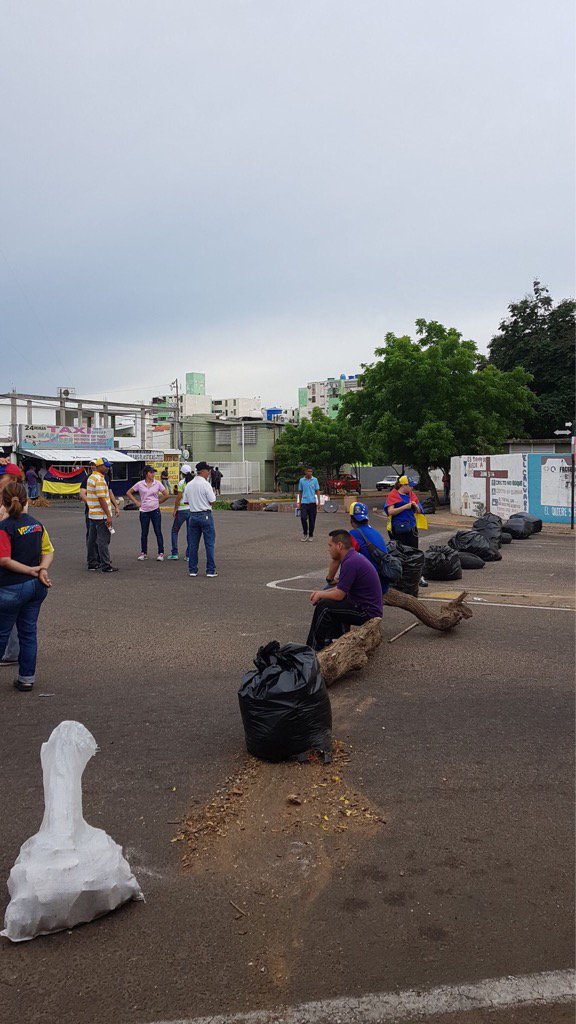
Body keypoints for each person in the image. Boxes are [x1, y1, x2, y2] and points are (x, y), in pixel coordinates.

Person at [0, 481, 54, 691]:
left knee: (2, 634)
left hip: (11, 587)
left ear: (3, 502)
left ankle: (26, 677)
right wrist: (41, 569)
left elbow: (4, 560)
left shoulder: (5, 528)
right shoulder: (37, 524)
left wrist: (30, 570)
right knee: (28, 633)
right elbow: (48, 551)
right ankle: (26, 678)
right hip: (36, 587)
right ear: (27, 500)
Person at [306, 530, 383, 651]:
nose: (328, 549)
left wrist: (321, 595)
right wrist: (321, 594)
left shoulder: (351, 562)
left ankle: (313, 649)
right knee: (329, 602)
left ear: (339, 546)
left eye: (330, 546)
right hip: (360, 605)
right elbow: (340, 588)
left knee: (325, 607)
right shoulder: (351, 558)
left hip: (368, 612)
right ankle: (335, 640)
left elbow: (339, 595)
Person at [326, 502, 390, 593]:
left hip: (369, 584)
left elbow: (338, 558)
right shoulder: (375, 532)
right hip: (382, 581)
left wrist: (330, 579)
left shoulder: (354, 534)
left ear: (351, 519)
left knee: (327, 591)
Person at [0, 461, 25, 666]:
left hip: (9, 559)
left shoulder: (11, 504)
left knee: (8, 607)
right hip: (16, 559)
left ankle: (12, 651)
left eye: (2, 477)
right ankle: (15, 649)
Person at [79, 459, 120, 565]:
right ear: (99, 466)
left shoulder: (92, 478)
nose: (108, 468)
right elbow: (101, 498)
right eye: (106, 466)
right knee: (103, 540)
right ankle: (105, 563)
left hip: (93, 513)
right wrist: (108, 515)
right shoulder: (99, 479)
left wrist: (116, 506)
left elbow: (109, 493)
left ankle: (92, 562)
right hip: (101, 514)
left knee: (92, 539)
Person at [126, 466, 169, 561]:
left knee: (158, 531)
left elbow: (166, 495)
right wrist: (136, 502)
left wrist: (159, 502)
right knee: (144, 532)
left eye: (153, 472)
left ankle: (161, 553)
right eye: (151, 472)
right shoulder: (140, 484)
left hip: (155, 510)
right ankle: (143, 552)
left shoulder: (157, 483)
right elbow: (129, 492)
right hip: (144, 510)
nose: (153, 474)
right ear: (146, 474)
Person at [184, 461, 217, 578]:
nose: (209, 472)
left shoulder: (189, 485)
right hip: (205, 514)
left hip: (193, 515)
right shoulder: (205, 484)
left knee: (193, 544)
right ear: (203, 471)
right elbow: (212, 500)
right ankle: (210, 570)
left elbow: (186, 501)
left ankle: (192, 570)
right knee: (209, 544)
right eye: (208, 470)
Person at [384, 475, 423, 549]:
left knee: (414, 551)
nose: (412, 488)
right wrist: (405, 507)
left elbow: (420, 511)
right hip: (399, 528)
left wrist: (416, 506)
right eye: (410, 486)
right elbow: (390, 512)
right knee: (400, 551)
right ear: (403, 485)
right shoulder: (393, 495)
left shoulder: (412, 494)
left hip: (411, 527)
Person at [168, 464, 194, 560]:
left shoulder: (181, 483)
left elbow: (179, 497)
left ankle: (174, 553)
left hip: (182, 510)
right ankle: (188, 555)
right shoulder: (193, 482)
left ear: (181, 473)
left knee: (174, 531)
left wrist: (175, 509)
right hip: (191, 510)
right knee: (190, 533)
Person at [297, 466, 320, 542]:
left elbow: (317, 491)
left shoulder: (315, 480)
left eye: (311, 471)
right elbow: (300, 492)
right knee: (303, 518)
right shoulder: (302, 480)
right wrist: (299, 502)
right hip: (304, 502)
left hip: (312, 502)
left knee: (312, 520)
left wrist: (319, 502)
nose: (310, 473)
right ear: (305, 472)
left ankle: (311, 534)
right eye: (308, 471)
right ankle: (305, 533)